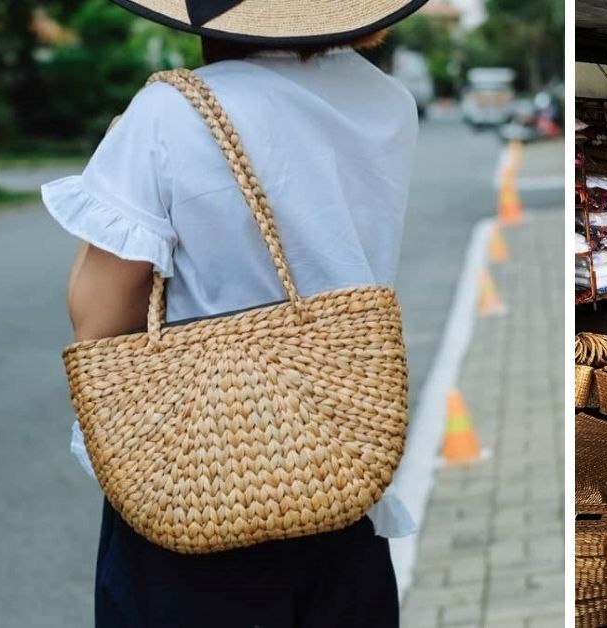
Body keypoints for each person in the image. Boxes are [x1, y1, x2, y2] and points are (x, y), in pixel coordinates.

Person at [42, 1, 429, 625]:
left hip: (194, 483)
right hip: (341, 468)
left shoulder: (169, 111)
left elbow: (98, 321)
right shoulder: (388, 103)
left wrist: (116, 154)